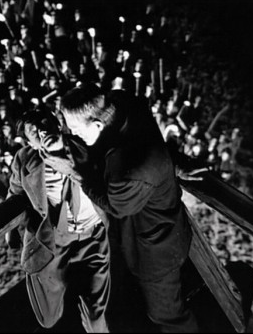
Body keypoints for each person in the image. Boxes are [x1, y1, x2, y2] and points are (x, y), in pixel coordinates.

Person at [59, 83, 199, 333]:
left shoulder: (128, 170)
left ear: (98, 125)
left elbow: (115, 206)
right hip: (161, 227)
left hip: (155, 253)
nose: (74, 136)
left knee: (167, 315)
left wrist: (77, 174)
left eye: (78, 132)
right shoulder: (124, 104)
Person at [5, 109, 111, 332]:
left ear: (58, 123)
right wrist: (10, 233)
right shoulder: (25, 159)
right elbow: (14, 193)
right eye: (34, 132)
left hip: (93, 234)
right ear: (30, 144)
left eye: (45, 122)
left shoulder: (85, 145)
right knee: (48, 317)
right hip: (56, 236)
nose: (42, 130)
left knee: (96, 314)